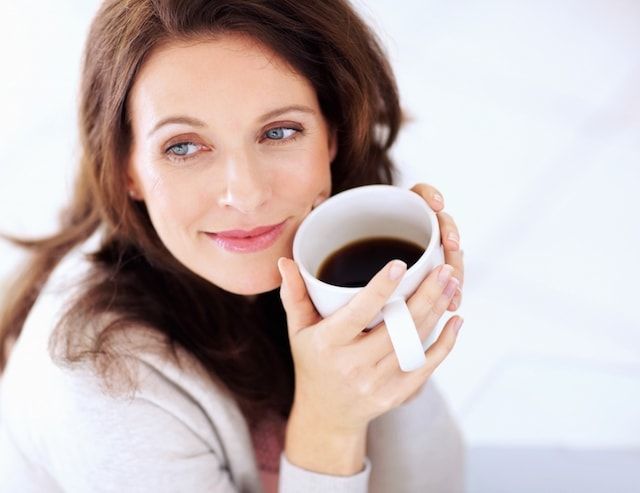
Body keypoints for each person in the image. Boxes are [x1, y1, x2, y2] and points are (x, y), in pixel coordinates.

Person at [0, 0, 466, 491]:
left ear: (332, 134)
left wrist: (390, 315)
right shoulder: (98, 381)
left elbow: (438, 480)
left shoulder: (319, 254)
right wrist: (330, 424)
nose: (244, 194)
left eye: (279, 131)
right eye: (183, 146)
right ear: (127, 169)